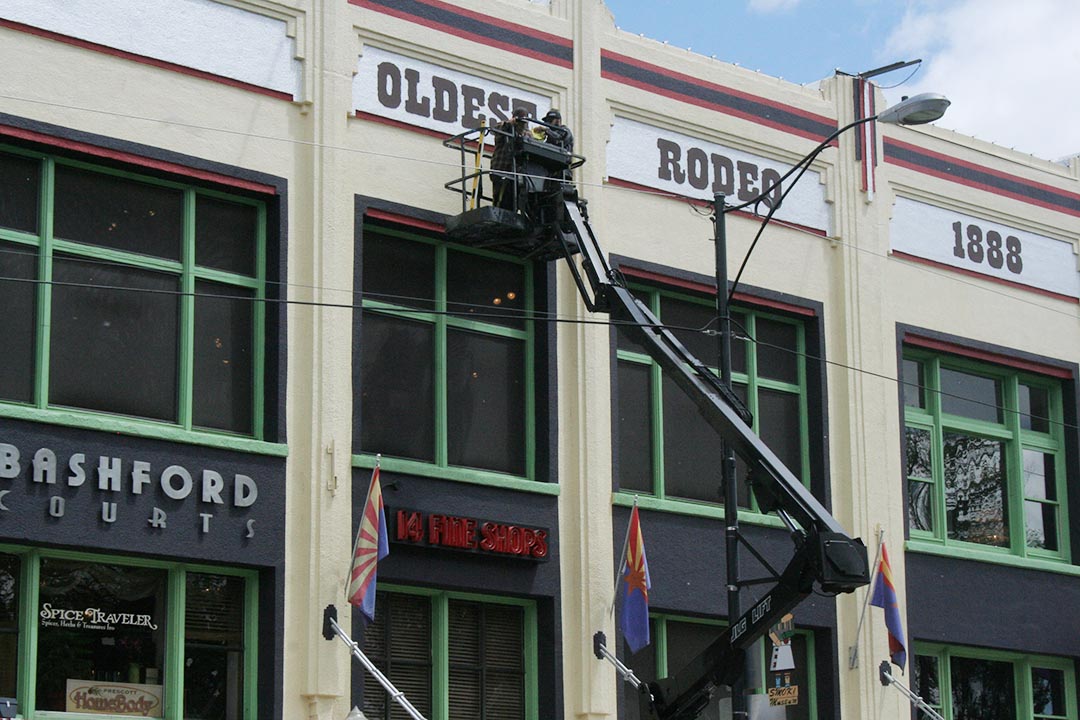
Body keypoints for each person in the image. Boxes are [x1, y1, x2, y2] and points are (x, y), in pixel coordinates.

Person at [490, 107, 529, 209]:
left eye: (524, 122)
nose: (522, 125)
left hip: (516, 173)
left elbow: (530, 142)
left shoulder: (526, 134)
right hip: (501, 168)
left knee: (513, 200)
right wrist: (509, 124)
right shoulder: (503, 126)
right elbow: (496, 130)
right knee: (499, 198)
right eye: (520, 122)